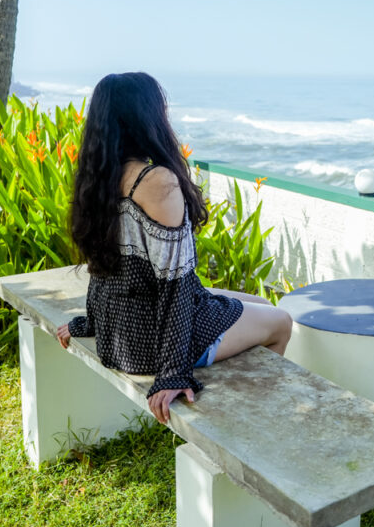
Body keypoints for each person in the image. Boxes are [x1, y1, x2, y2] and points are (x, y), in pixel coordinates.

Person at [55, 72, 292, 426]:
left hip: (117, 330)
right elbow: (176, 287)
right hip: (151, 342)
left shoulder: (99, 177)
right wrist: (172, 373)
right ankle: (258, 421)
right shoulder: (155, 181)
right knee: (282, 321)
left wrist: (90, 323)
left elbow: (101, 268)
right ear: (147, 118)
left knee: (258, 303)